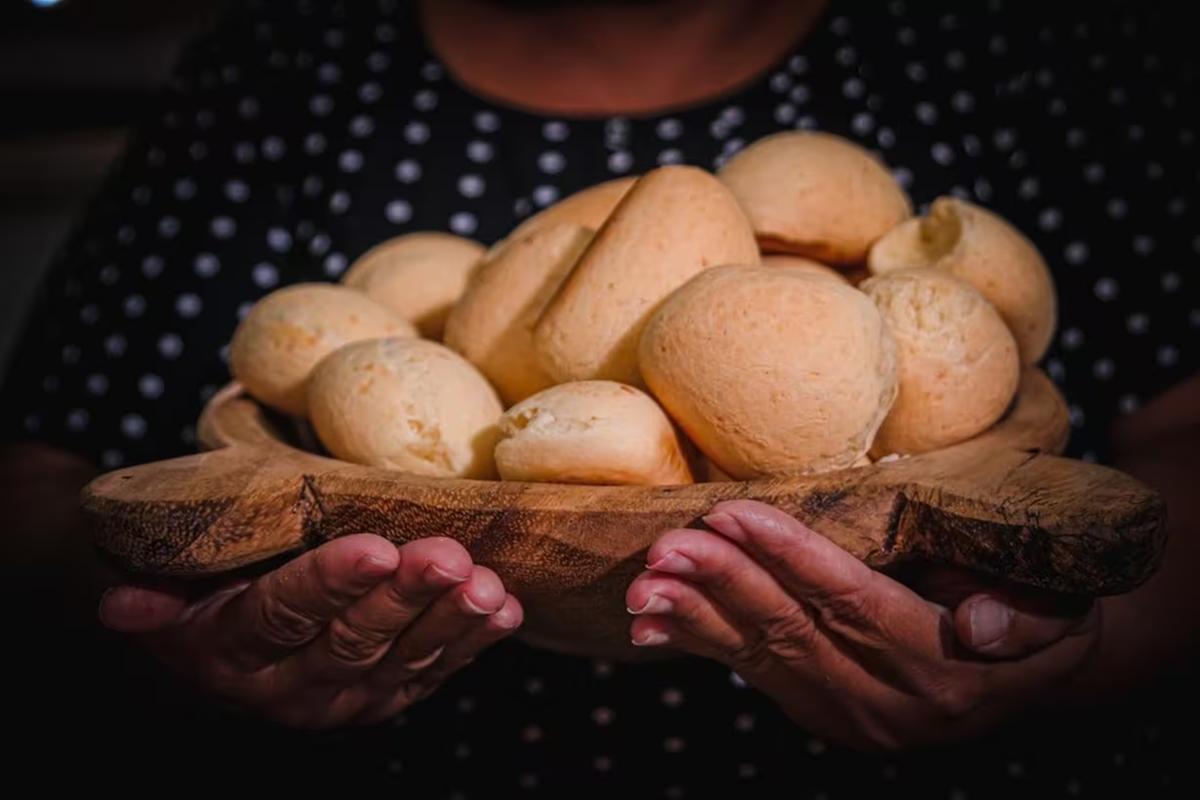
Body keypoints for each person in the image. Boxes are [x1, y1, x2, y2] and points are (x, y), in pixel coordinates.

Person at [2, 0, 1197, 794]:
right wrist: (159, 634)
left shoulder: (996, 38)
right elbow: (42, 474)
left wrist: (1079, 650)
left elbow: (1181, 436)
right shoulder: (287, 59)